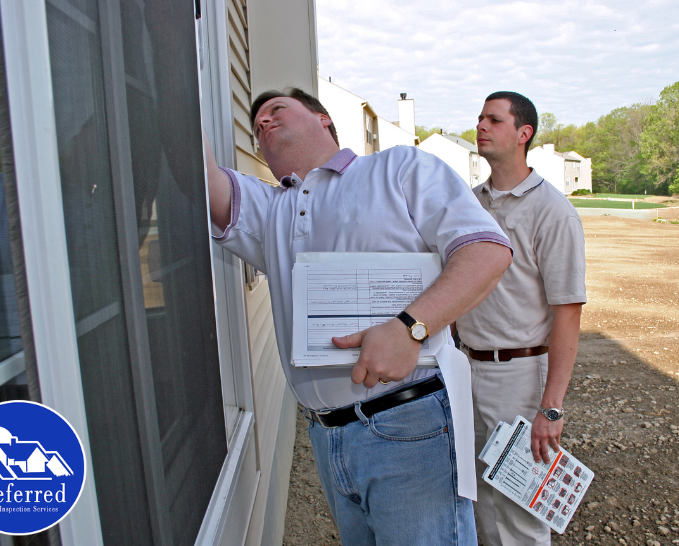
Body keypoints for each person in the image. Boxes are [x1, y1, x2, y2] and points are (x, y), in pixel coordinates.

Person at [205, 87, 513, 545]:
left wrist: (410, 328)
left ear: (323, 118)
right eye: (256, 127)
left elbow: (485, 250)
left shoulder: (399, 168)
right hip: (328, 437)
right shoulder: (273, 210)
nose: (264, 124)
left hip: (411, 424)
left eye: (276, 110)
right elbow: (203, 174)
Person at [456, 91, 586, 546]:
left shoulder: (552, 211)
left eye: (494, 119)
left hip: (519, 375)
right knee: (472, 499)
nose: (481, 126)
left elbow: (567, 313)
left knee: (518, 508)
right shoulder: (469, 203)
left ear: (523, 133)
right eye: (479, 118)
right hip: (464, 368)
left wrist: (550, 407)